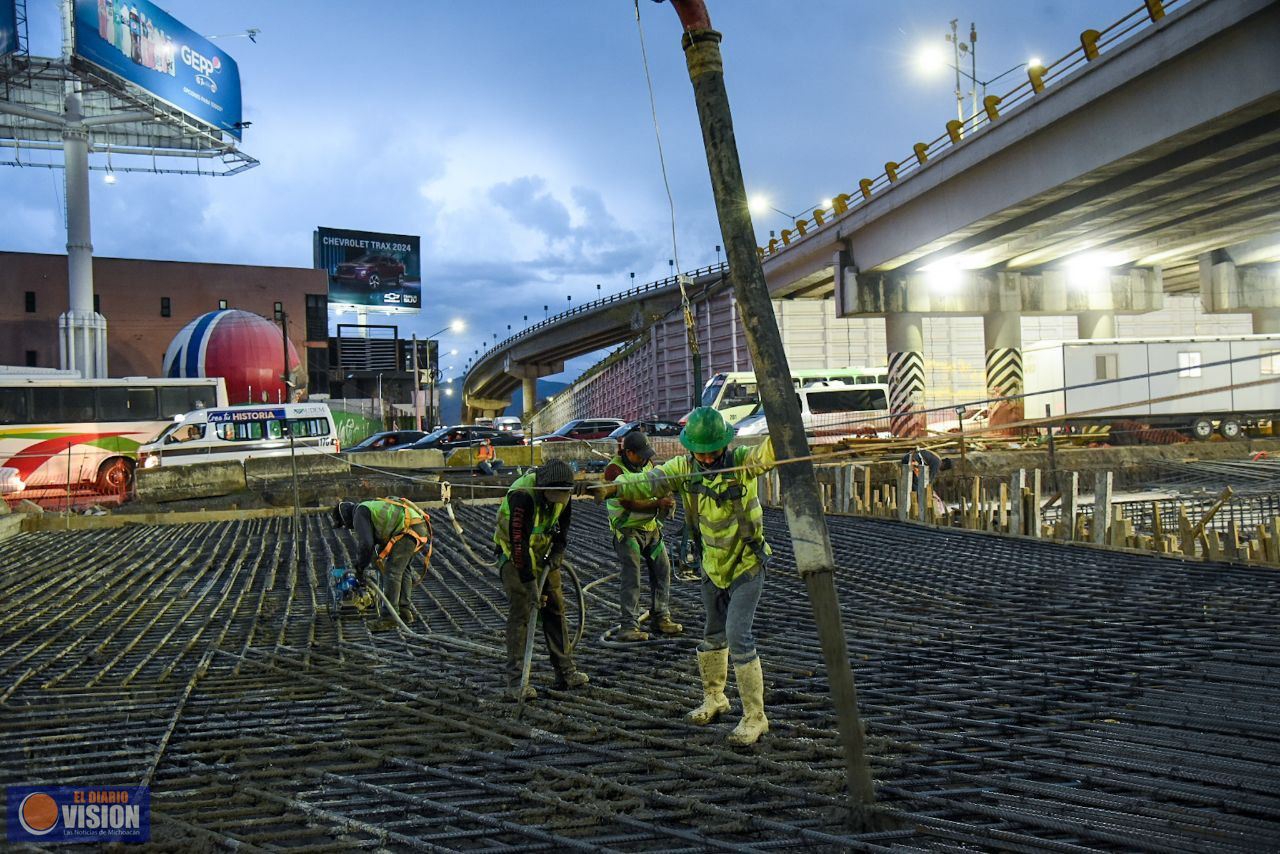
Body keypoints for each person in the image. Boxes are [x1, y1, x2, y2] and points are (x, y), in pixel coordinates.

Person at [593, 407, 776, 746]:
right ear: (690, 447)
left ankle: (755, 717)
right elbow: (651, 481)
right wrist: (616, 488)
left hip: (746, 565)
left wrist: (783, 421)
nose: (706, 457)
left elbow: (769, 453)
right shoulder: (684, 468)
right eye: (700, 451)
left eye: (713, 450)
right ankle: (715, 698)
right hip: (712, 565)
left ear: (724, 443)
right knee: (712, 636)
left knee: (739, 637)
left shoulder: (741, 462)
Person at [493, 459, 590, 701]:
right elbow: (518, 544)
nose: (559, 500)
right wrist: (530, 584)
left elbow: (563, 526)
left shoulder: (564, 493)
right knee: (522, 612)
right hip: (514, 556)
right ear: (544, 487)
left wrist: (558, 552)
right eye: (555, 495)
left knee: (556, 610)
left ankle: (566, 672)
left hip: (543, 554)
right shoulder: (523, 496)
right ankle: (516, 683)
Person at [604, 430, 682, 642]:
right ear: (628, 453)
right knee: (632, 577)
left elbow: (661, 483)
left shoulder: (647, 464)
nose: (645, 458)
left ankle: (661, 617)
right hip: (628, 531)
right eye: (640, 455)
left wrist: (667, 496)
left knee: (662, 570)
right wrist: (657, 504)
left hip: (650, 529)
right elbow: (627, 502)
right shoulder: (613, 471)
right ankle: (629, 626)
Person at [332, 496, 431, 631]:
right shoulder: (368, 507)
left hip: (409, 529)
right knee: (403, 569)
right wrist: (371, 562)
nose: (347, 528)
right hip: (417, 526)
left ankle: (389, 618)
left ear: (345, 518)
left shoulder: (359, 513)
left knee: (393, 571)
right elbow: (375, 545)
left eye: (344, 525)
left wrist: (360, 568)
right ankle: (404, 612)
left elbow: (366, 544)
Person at [902, 448, 953, 517]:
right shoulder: (937, 463)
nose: (940, 471)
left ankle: (913, 506)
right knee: (917, 486)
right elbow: (930, 480)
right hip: (910, 461)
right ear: (944, 465)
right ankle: (916, 508)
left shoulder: (936, 457)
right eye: (943, 469)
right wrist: (930, 492)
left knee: (914, 484)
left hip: (907, 458)